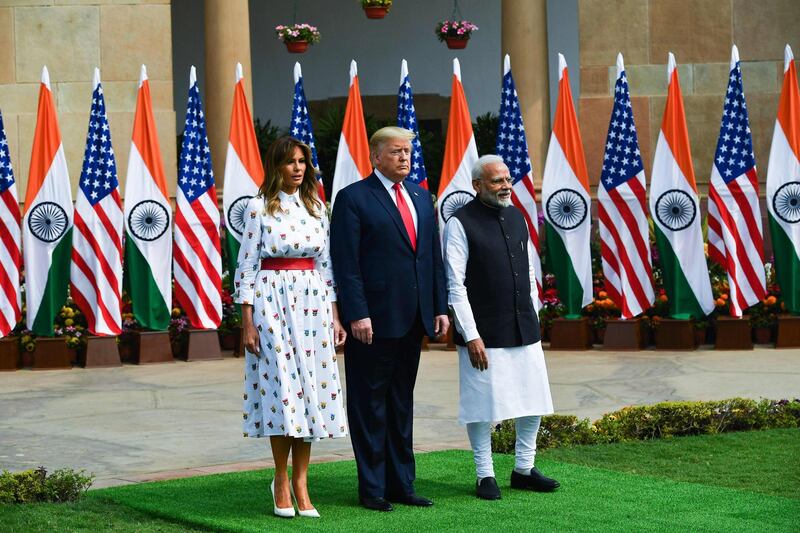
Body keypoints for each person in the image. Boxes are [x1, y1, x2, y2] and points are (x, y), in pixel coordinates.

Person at [330, 126, 449, 512]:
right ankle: (373, 489)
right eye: (396, 152)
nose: (404, 158)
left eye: (408, 152)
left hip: (413, 318)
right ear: (375, 156)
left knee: (401, 402)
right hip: (373, 322)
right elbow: (345, 264)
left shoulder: (420, 195)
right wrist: (356, 314)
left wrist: (439, 306)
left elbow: (431, 257)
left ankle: (403, 484)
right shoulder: (353, 199)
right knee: (369, 405)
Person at [233, 136, 347, 519]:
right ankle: (280, 478)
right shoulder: (257, 207)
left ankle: (302, 481)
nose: (298, 168)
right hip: (272, 303)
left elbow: (326, 265)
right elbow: (246, 266)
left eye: (303, 162)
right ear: (275, 165)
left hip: (313, 304)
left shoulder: (317, 207)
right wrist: (247, 321)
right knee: (283, 388)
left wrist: (334, 315)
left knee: (310, 390)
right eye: (290, 162)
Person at [443, 154, 559, 500]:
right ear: (477, 185)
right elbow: (455, 284)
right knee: (482, 404)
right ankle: (485, 475)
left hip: (524, 324)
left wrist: (534, 311)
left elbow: (528, 270)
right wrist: (471, 334)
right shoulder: (460, 223)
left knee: (533, 398)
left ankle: (524, 467)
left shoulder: (517, 216)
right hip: (483, 332)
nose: (505, 186)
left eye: (507, 179)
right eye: (497, 181)